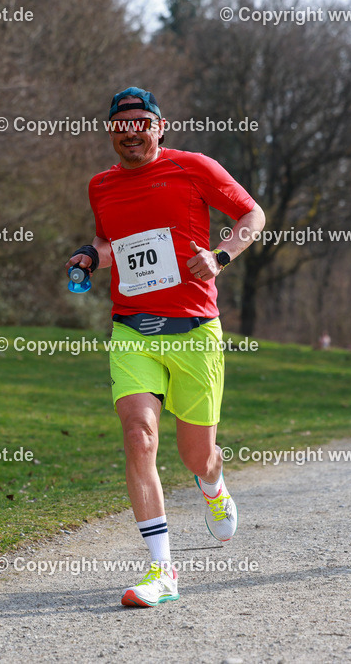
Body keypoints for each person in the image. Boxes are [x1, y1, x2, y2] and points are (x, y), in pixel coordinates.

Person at [65, 87, 265, 607]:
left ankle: (213, 486)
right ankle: (162, 572)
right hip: (133, 327)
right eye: (120, 125)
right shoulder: (101, 185)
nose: (131, 133)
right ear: (111, 131)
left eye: (141, 123)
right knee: (138, 436)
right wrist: (91, 255)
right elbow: (116, 245)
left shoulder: (194, 167)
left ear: (159, 126)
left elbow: (252, 217)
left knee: (196, 456)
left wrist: (220, 256)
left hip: (194, 330)